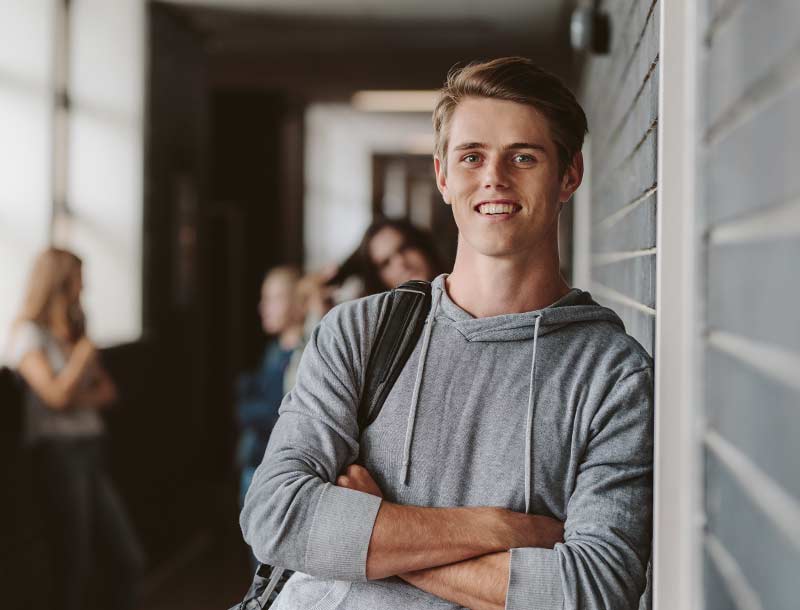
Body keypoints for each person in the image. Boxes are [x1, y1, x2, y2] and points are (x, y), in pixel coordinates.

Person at [240, 57, 653, 610]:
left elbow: (592, 591)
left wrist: (377, 531)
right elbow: (277, 516)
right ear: (443, 175)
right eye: (472, 156)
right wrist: (501, 529)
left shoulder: (612, 373)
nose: (494, 178)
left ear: (569, 175)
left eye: (523, 157)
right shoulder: (361, 331)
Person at [6, 247, 144, 610]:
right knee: (73, 561)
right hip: (58, 455)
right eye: (80, 279)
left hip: (92, 448)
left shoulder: (74, 332)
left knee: (126, 558)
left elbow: (108, 392)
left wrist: (73, 389)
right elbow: (54, 397)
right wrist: (81, 363)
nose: (85, 287)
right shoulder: (28, 336)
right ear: (61, 282)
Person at [235, 266, 305, 511]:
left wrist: (247, 408)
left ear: (299, 302)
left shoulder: (305, 355)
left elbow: (281, 414)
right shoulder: (273, 351)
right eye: (264, 299)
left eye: (274, 299)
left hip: (279, 473)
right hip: (255, 462)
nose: (263, 307)